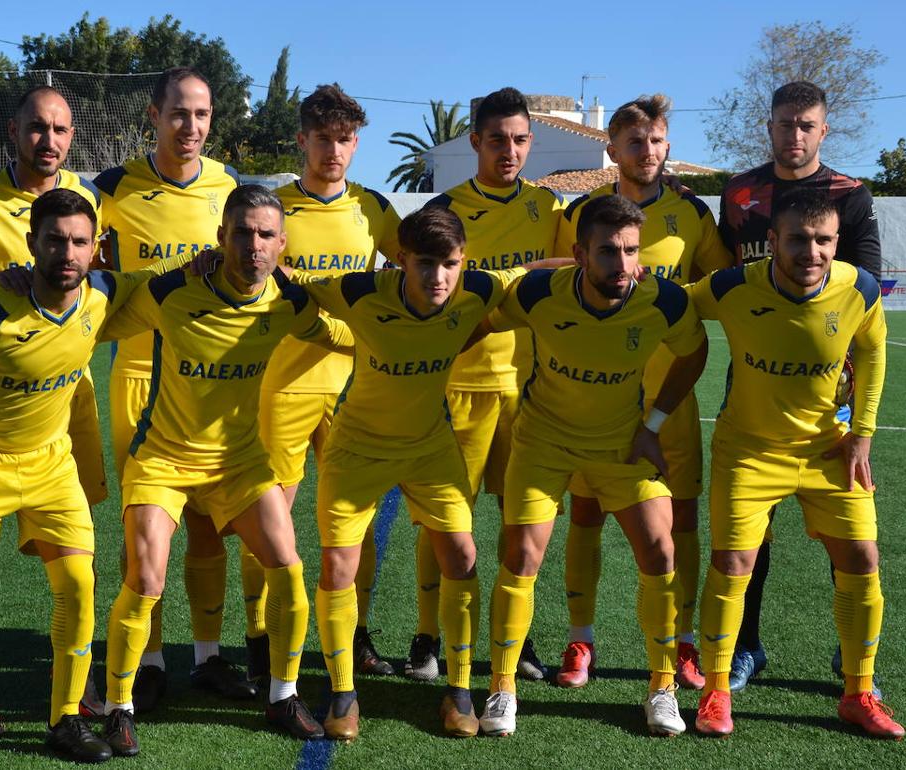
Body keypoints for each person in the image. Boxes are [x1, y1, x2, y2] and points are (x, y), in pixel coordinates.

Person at [294, 205, 568, 739]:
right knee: (338, 568)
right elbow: (293, 279)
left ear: (463, 261)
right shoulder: (358, 290)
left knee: (462, 556)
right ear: (400, 260)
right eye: (425, 263)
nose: (438, 277)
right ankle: (344, 694)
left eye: (450, 263)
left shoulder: (478, 289)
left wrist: (609, 269)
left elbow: (537, 269)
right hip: (358, 449)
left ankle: (460, 691)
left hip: (429, 447)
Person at [98, 185, 347, 752]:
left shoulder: (288, 300)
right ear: (220, 237)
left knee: (287, 568)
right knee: (146, 576)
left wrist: (406, 333)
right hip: (163, 458)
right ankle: (118, 704)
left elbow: (342, 335)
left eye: (265, 235)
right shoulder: (172, 290)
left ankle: (282, 694)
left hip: (238, 462)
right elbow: (94, 317)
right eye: (242, 232)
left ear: (282, 245)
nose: (252, 246)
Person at [0, 189, 142, 769]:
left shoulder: (103, 295)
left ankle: (65, 720)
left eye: (79, 242)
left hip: (51, 467)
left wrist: (210, 264)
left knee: (79, 587)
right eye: (55, 240)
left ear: (96, 250)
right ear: (31, 244)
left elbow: (168, 284)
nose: (67, 252)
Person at [481, 194, 708, 738]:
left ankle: (661, 688)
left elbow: (694, 353)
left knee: (661, 547)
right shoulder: (538, 293)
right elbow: (479, 322)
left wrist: (653, 424)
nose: (622, 264)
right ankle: (501, 688)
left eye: (631, 251)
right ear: (580, 254)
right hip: (543, 442)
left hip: (620, 446)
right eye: (608, 251)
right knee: (521, 553)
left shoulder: (664, 303)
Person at [690, 189, 903, 739]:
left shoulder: (859, 287)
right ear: (774, 242)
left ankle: (858, 693)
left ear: (837, 241)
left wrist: (863, 433)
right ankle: (715, 692)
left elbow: (875, 351)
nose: (812, 251)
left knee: (862, 557)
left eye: (824, 240)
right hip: (749, 450)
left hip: (828, 448)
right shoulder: (734, 286)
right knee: (733, 564)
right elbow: (674, 304)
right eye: (798, 239)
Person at [0, 85, 106, 730]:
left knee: (75, 559)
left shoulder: (87, 194)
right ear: (13, 131)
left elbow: (103, 273)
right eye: (37, 128)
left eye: (60, 129)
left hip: (67, 401)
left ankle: (73, 696)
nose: (49, 141)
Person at [550, 95, 732, 692]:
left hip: (671, 398)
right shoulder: (582, 213)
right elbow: (555, 281)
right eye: (634, 142)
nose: (646, 152)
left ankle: (681, 642)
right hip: (595, 400)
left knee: (679, 519)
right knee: (587, 510)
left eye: (655, 141)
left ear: (668, 145)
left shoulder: (693, 216)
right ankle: (582, 638)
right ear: (612, 149)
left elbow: (718, 288)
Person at [717, 80, 883, 692]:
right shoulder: (739, 193)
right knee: (749, 532)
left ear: (824, 129)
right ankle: (746, 646)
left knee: (847, 533)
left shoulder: (851, 195)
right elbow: (723, 279)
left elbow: (866, 292)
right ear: (769, 126)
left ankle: (851, 658)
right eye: (785, 124)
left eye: (806, 125)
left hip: (829, 395)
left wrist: (860, 419)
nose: (795, 136)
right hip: (756, 382)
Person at [93, 66, 249, 709]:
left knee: (211, 529)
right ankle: (149, 661)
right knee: (146, 535)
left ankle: (208, 657)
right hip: (139, 380)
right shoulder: (109, 188)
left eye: (203, 115)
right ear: (153, 117)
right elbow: (71, 246)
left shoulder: (229, 187)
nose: (192, 127)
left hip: (212, 388)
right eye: (179, 113)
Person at [250, 83, 402, 681]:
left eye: (344, 140)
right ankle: (260, 639)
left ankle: (357, 633)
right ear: (302, 140)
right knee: (271, 517)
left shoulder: (373, 209)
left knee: (354, 518)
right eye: (323, 139)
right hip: (281, 386)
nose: (333, 151)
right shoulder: (275, 208)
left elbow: (418, 266)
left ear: (356, 143)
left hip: (354, 388)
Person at [412, 86, 564, 683]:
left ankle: (514, 639)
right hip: (462, 384)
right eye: (497, 138)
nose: (509, 149)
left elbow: (567, 271)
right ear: (474, 140)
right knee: (446, 517)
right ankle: (427, 635)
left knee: (520, 520)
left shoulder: (550, 209)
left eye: (520, 139)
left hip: (529, 390)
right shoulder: (446, 209)